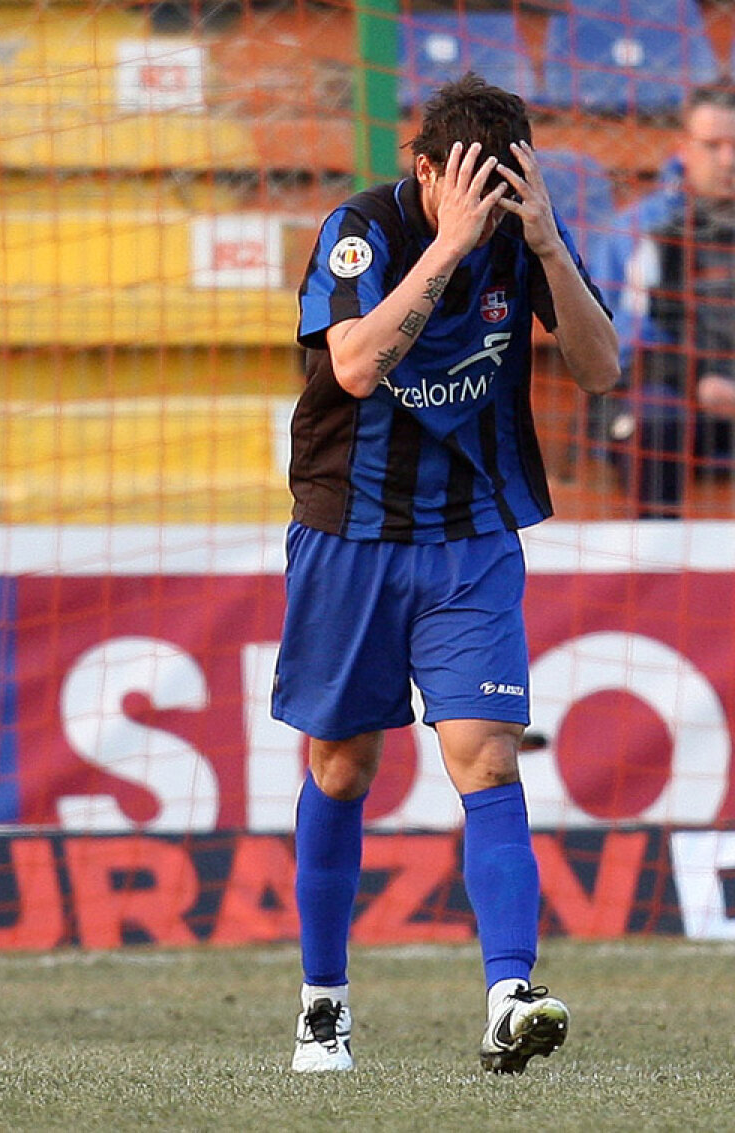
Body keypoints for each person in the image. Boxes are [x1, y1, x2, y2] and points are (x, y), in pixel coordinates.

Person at [272, 73, 619, 1074]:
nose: (489, 211)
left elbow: (601, 370)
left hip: (471, 538)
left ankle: (510, 994)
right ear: (425, 170)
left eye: (505, 194)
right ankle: (324, 1006)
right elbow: (353, 365)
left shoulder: (523, 232)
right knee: (341, 767)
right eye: (471, 189)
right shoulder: (362, 228)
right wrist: (451, 244)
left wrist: (546, 244)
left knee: (488, 755)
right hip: (351, 533)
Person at [594, 83, 735, 516]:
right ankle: (658, 544)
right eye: (713, 145)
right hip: (676, 398)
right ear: (684, 149)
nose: (728, 160)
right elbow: (620, 352)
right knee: (656, 416)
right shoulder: (641, 230)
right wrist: (702, 381)